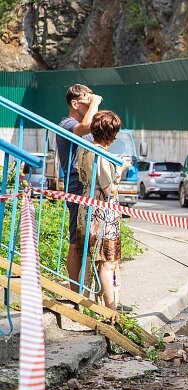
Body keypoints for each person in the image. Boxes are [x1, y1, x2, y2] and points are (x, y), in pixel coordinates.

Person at [75, 111, 129, 311]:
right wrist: (120, 169)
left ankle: (83, 303)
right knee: (107, 263)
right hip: (103, 215)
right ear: (111, 134)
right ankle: (111, 311)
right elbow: (110, 190)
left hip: (86, 209)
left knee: (89, 259)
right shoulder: (102, 155)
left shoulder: (84, 149)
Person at [56, 84, 102, 292]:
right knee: (76, 239)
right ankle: (75, 293)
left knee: (92, 240)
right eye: (88, 100)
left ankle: (92, 292)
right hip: (76, 183)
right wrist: (96, 103)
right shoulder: (68, 124)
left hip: (90, 182)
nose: (92, 104)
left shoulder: (86, 129)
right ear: (75, 103)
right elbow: (85, 126)